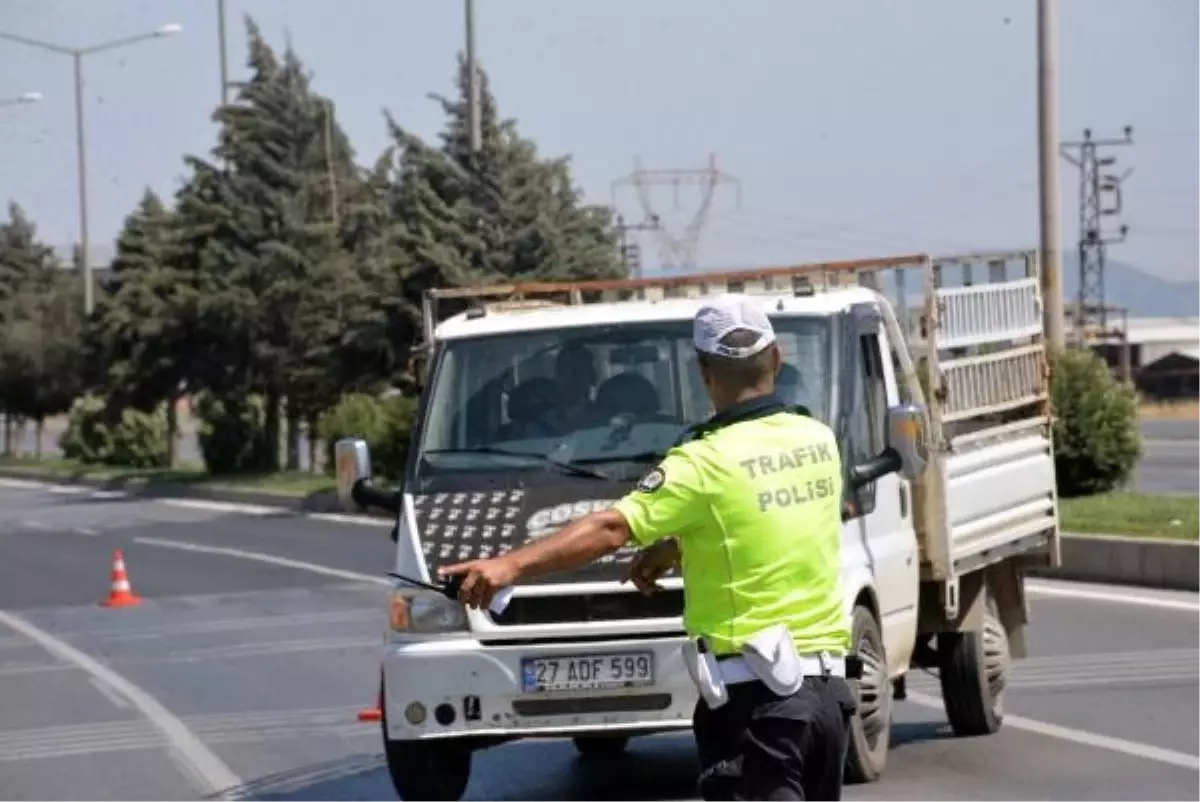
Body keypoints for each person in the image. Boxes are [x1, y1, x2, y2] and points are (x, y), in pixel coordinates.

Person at [439, 294, 856, 802]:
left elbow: (611, 528)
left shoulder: (702, 462)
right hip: (827, 702)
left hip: (758, 707)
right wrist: (681, 544)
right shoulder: (818, 440)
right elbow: (771, 520)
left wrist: (508, 566)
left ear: (704, 372)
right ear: (775, 360)